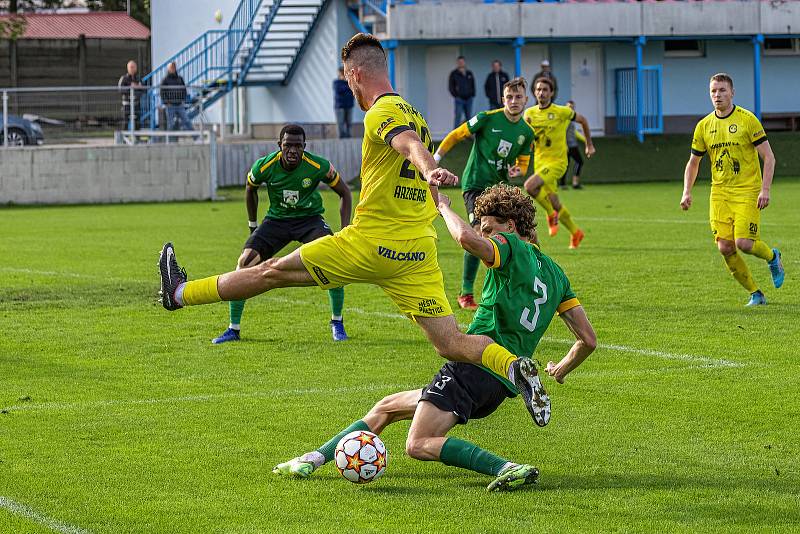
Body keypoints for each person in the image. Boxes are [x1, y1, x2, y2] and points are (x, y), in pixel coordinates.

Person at [157, 33, 549, 426]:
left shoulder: (381, 112)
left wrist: (430, 168)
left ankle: (179, 293)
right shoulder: (419, 117)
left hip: (370, 242)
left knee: (270, 271)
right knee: (451, 343)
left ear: (357, 73)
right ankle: (513, 366)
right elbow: (414, 145)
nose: (349, 85)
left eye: (347, 77)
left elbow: (408, 146)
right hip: (417, 253)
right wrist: (432, 182)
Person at [272, 184, 597, 491]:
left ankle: (507, 468)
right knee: (386, 408)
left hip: (475, 365)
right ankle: (310, 461)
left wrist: (441, 205)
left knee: (418, 443)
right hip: (500, 387)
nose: (485, 234)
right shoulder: (557, 275)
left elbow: (467, 240)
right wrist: (561, 369)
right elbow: (587, 340)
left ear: (510, 226)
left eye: (488, 228)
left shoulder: (511, 247)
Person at [212, 124, 353, 344]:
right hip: (276, 221)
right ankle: (233, 329)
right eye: (288, 145)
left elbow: (345, 193)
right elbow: (250, 188)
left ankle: (337, 322)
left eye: (298, 146)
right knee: (244, 262)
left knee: (333, 259)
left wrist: (344, 231)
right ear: (280, 146)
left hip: (309, 220)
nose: (293, 151)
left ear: (305, 147)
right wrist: (253, 225)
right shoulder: (264, 166)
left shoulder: (318, 165)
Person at [680, 73, 784, 306]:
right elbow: (693, 162)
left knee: (744, 243)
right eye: (714, 91)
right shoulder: (704, 126)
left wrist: (765, 189)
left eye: (722, 90)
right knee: (725, 247)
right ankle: (756, 294)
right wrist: (687, 191)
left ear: (732, 92)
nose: (717, 95)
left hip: (748, 190)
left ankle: (772, 257)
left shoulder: (748, 120)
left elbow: (769, 157)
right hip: (719, 193)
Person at [433, 77, 536, 310]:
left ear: (526, 100)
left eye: (518, 97)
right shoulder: (487, 118)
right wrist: (435, 159)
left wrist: (517, 169)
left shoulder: (526, 132)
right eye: (509, 97)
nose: (514, 101)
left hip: (500, 189)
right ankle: (466, 294)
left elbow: (523, 161)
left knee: (521, 234)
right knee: (479, 234)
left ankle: (519, 288)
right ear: (503, 99)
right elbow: (456, 135)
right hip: (475, 185)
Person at [524, 77, 595, 248]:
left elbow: (583, 120)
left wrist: (589, 144)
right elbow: (527, 138)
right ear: (534, 92)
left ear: (552, 93)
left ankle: (550, 214)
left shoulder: (561, 111)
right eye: (538, 89)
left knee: (530, 186)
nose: (541, 92)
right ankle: (575, 232)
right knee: (555, 202)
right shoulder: (529, 114)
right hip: (540, 162)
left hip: (557, 162)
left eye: (545, 90)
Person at [558, 100, 586, 190]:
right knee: (579, 161)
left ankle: (564, 184)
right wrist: (565, 146)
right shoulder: (565, 119)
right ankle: (572, 183)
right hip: (569, 146)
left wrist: (586, 140)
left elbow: (574, 132)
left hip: (572, 145)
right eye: (569, 107)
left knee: (567, 164)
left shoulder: (571, 119)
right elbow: (562, 133)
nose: (571, 109)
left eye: (572, 107)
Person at [160, 62, 192, 131]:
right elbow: (162, 92)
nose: (173, 68)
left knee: (187, 121)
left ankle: (196, 138)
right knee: (170, 124)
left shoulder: (180, 78)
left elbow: (184, 89)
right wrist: (166, 102)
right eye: (171, 67)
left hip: (180, 104)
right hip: (170, 105)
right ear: (168, 69)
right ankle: (169, 140)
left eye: (174, 67)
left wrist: (183, 100)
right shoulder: (165, 79)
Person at [448, 56, 476, 129]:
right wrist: (456, 95)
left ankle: (469, 136)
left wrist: (472, 94)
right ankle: (455, 137)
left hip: (469, 99)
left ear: (464, 62)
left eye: (462, 62)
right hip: (459, 99)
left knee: (469, 118)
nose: (461, 63)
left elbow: (473, 84)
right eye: (459, 62)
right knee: (458, 117)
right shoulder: (454, 73)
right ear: (457, 63)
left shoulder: (469, 73)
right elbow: (451, 86)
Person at [118, 60, 145, 129]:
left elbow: (143, 89)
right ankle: (124, 138)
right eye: (131, 67)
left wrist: (137, 88)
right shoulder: (124, 78)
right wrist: (130, 88)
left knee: (137, 122)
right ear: (128, 68)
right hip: (126, 104)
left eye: (134, 67)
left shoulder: (139, 78)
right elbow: (120, 90)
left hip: (136, 103)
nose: (132, 69)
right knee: (125, 122)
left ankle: (137, 138)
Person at [333, 67, 354, 138]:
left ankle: (349, 136)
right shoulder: (336, 83)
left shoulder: (350, 82)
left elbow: (353, 90)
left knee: (349, 123)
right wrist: (347, 87)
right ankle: (341, 137)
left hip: (349, 105)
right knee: (340, 123)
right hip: (339, 106)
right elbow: (340, 90)